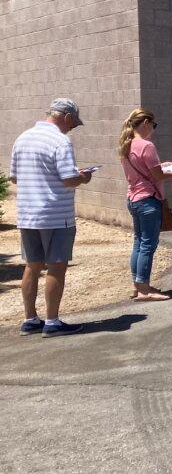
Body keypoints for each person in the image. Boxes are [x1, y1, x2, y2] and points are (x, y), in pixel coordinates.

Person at [9, 99, 93, 336]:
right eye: (73, 124)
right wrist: (84, 177)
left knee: (32, 266)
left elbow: (14, 177)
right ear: (66, 117)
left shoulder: (22, 138)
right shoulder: (60, 141)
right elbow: (68, 179)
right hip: (56, 215)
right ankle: (53, 322)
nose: (72, 128)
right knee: (57, 266)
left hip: (27, 214)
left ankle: (30, 319)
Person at [118, 108, 172, 302]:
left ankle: (138, 285)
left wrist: (163, 166)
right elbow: (157, 175)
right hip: (148, 199)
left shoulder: (125, 145)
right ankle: (144, 290)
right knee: (148, 244)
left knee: (139, 242)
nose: (154, 128)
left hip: (134, 198)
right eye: (153, 124)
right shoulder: (146, 145)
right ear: (145, 122)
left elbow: (147, 169)